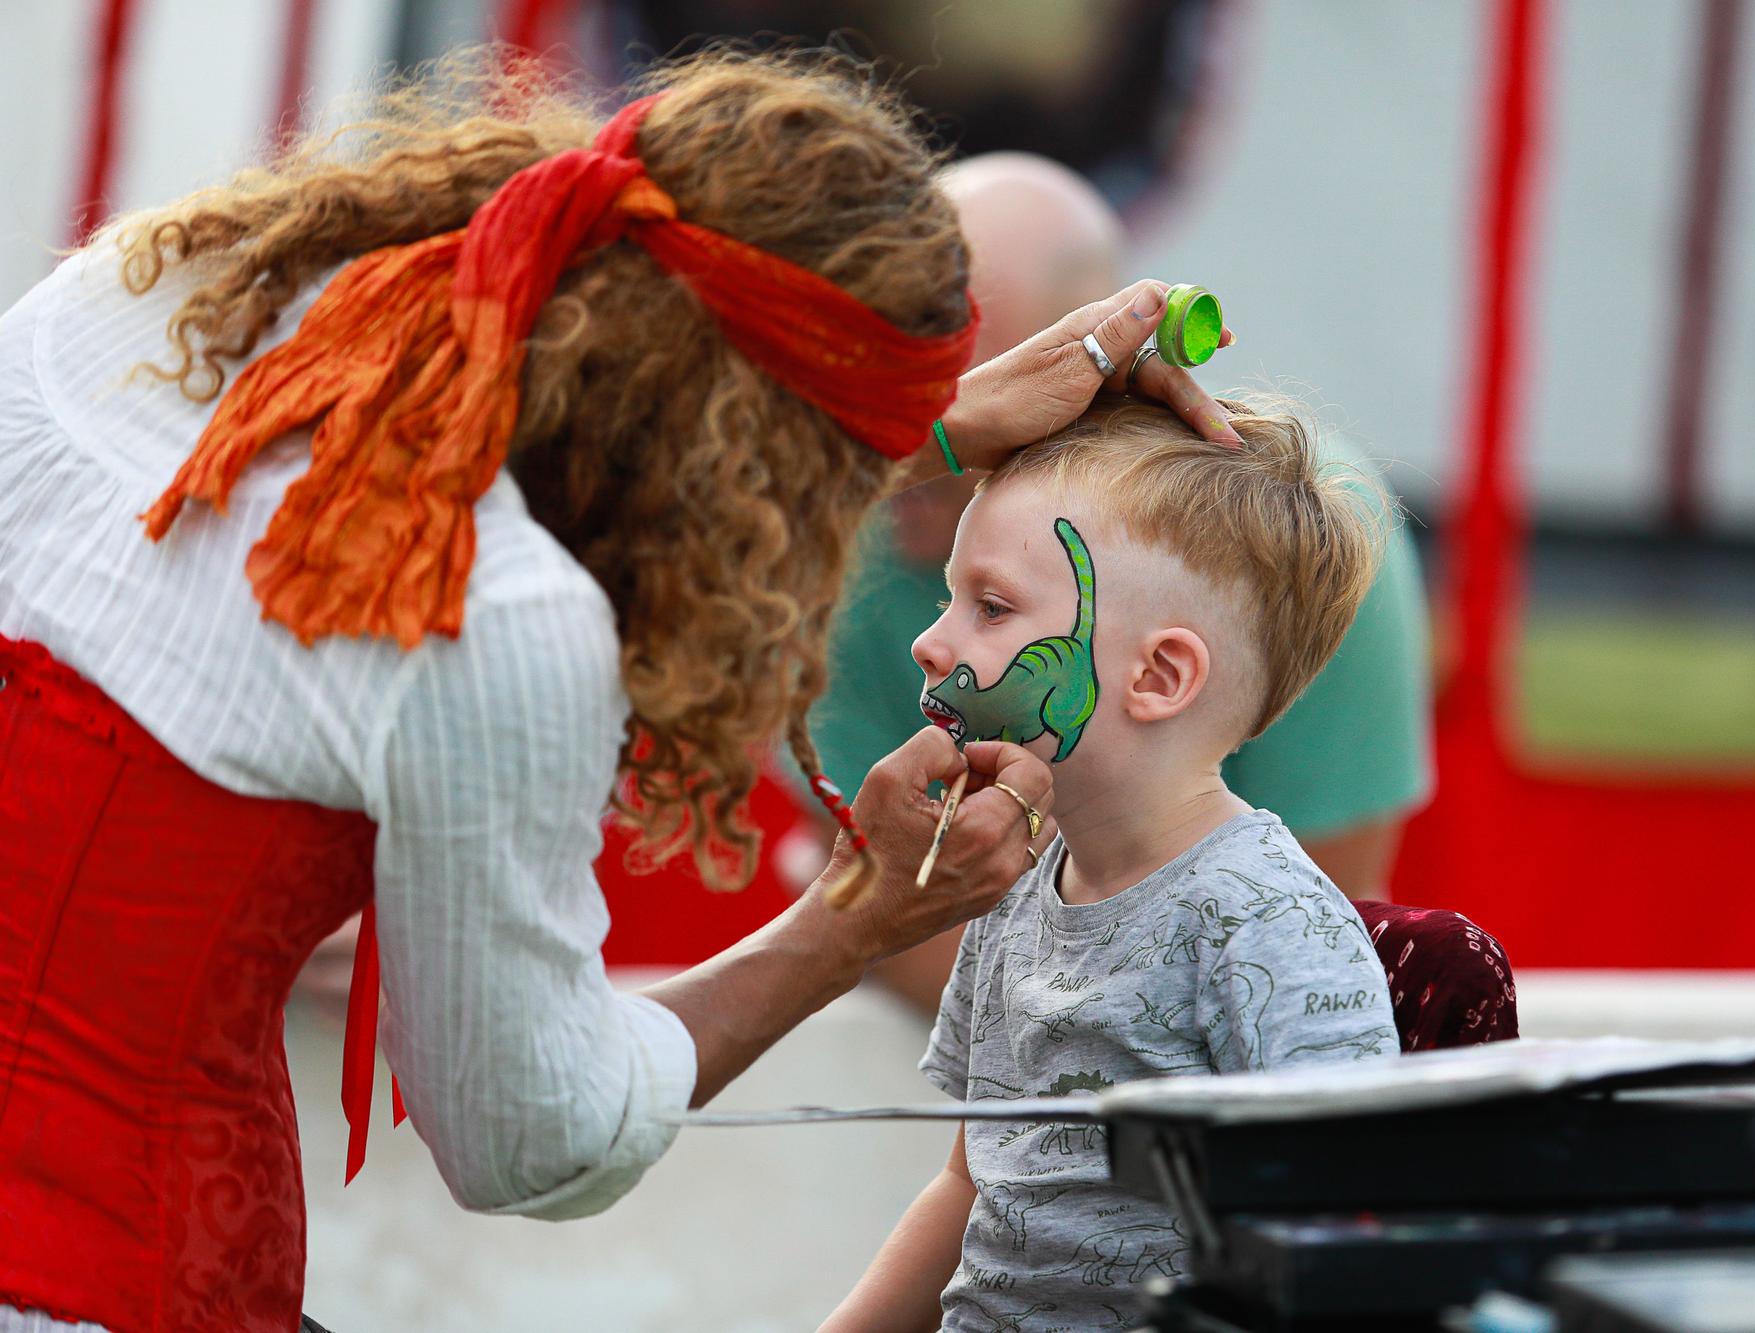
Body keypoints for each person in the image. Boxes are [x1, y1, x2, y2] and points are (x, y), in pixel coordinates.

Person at [0, 50, 1242, 1333]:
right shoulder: (496, 616)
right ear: (743, 443)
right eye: (806, 484)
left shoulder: (145, 299)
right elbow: (530, 1139)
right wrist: (849, 917)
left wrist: (919, 422)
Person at [821, 399, 1399, 1333]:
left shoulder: (1272, 926)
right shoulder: (1008, 891)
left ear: (1158, 677)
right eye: (946, 599)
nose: (931, 642)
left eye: (991, 606)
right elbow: (973, 1187)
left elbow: (1336, 1247)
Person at [810, 153, 1433, 1010]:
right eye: (874, 383)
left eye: (965, 408)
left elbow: (1307, 954)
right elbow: (879, 912)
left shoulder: (1309, 530)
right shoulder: (840, 528)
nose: (895, 451)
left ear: (1071, 395)